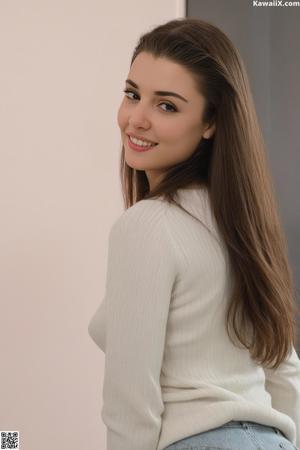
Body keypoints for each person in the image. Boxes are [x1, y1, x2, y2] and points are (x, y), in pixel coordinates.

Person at [88, 18, 300, 450]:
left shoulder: (146, 226)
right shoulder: (241, 222)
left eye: (166, 106)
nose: (136, 119)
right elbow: (284, 371)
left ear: (210, 122)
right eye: (132, 95)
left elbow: (131, 404)